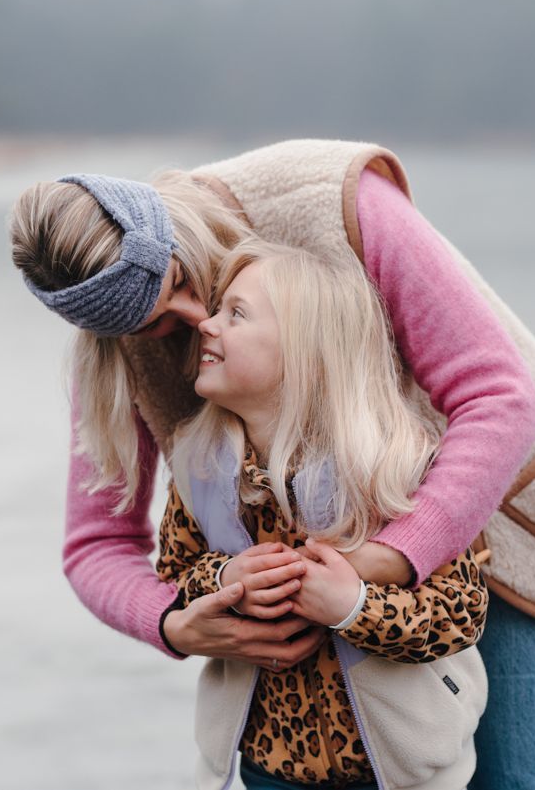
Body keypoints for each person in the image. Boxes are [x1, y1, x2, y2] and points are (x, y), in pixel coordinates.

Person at [9, 140, 535, 789]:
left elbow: (499, 400)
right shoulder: (121, 343)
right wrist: (180, 624)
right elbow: (97, 542)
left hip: (525, 516)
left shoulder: (325, 199)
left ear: (173, 229)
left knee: (530, 778)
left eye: (185, 284)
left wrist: (383, 561)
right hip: (334, 672)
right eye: (157, 326)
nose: (193, 324)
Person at [157, 237, 489, 789]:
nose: (207, 326)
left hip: (400, 770)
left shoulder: (391, 467)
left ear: (308, 351)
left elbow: (461, 612)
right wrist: (224, 580)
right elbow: (173, 580)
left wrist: (352, 605)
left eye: (235, 314)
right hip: (269, 769)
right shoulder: (200, 470)